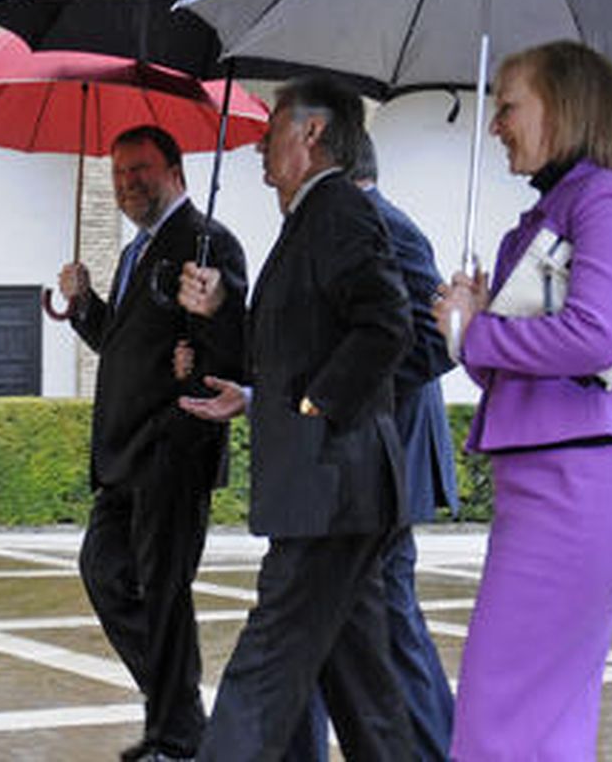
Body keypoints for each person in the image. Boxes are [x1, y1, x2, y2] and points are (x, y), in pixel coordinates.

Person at [433, 40, 612, 761]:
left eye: (508, 105)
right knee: (542, 717)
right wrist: (463, 327)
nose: (495, 124)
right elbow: (509, 377)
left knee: (497, 717)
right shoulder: (526, 230)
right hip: (545, 481)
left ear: (563, 107)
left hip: (579, 484)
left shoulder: (606, 200)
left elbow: (596, 335)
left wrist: (480, 336)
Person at [178, 76, 414, 761]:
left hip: (331, 485)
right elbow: (293, 340)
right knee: (362, 683)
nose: (259, 139)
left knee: (265, 663)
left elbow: (387, 321)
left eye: (274, 122)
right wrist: (225, 308)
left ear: (311, 132)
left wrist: (316, 406)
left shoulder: (337, 207)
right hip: (333, 486)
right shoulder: (311, 216)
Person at [56, 125, 248, 762]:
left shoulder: (209, 242)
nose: (127, 183)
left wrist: (206, 336)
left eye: (140, 170)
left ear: (176, 171)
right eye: (118, 174)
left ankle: (175, 735)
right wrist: (85, 305)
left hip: (172, 453)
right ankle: (183, 718)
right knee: (105, 571)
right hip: (122, 456)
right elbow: (125, 344)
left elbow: (236, 354)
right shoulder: (138, 250)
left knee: (163, 595)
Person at [304, 135, 459, 761]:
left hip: (387, 458)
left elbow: (433, 342)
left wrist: (341, 388)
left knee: (392, 627)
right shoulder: (348, 229)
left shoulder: (387, 228)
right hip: (351, 462)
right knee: (336, 624)